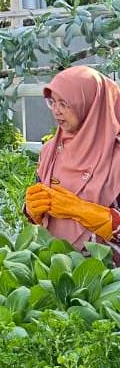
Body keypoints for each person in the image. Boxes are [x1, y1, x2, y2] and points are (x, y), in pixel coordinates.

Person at [25, 66, 120, 261]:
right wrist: (31, 210)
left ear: (90, 104)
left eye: (64, 103)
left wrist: (83, 211)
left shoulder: (116, 155)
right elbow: (38, 211)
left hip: (107, 272)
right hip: (55, 265)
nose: (56, 111)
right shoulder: (50, 151)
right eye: (52, 102)